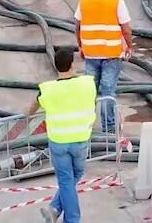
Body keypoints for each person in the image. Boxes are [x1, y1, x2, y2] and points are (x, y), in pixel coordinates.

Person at [33, 45, 96, 223]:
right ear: (72, 64)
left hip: (59, 142)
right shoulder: (86, 83)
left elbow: (32, 108)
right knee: (74, 176)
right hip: (80, 140)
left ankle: (57, 210)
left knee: (67, 181)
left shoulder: (47, 89)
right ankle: (66, 216)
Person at [75, 0, 132, 137]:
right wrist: (129, 45)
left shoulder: (84, 2)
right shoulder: (117, 2)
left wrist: (81, 46)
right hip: (111, 55)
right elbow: (126, 28)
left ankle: (86, 127)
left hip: (90, 53)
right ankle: (109, 129)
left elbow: (77, 26)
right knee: (108, 92)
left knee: (90, 91)